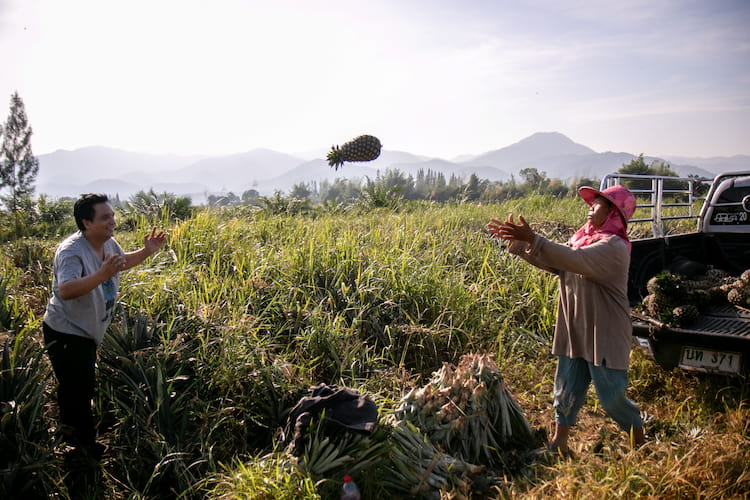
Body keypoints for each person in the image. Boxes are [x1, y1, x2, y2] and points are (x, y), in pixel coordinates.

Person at [486, 184, 645, 455]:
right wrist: (523, 244)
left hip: (604, 330)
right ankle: (558, 445)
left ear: (613, 213)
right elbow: (559, 264)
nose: (589, 209)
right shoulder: (583, 238)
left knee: (611, 397)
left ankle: (640, 446)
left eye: (597, 205)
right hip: (575, 326)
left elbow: (574, 259)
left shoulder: (614, 247)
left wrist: (535, 239)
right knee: (566, 387)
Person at [43, 193, 166, 456]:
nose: (113, 220)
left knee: (77, 385)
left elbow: (122, 263)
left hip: (87, 330)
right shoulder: (71, 252)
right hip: (67, 330)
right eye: (105, 217)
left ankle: (70, 434)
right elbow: (66, 290)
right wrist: (101, 274)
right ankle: (82, 448)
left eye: (112, 215)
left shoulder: (109, 243)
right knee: (79, 389)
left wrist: (147, 251)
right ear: (87, 223)